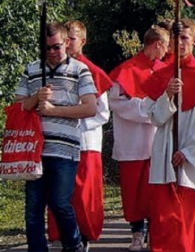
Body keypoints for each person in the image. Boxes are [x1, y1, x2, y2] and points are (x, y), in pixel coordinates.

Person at [142, 19, 195, 252]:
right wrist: (167, 96)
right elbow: (155, 118)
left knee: (190, 225)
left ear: (194, 41)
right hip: (165, 155)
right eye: (176, 39)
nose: (180, 43)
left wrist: (188, 152)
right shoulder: (162, 76)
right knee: (164, 221)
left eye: (185, 38)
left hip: (193, 162)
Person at [15, 22, 97, 252]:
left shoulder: (80, 70)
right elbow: (17, 108)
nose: (52, 52)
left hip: (64, 148)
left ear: (67, 43)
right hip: (35, 150)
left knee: (60, 203)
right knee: (33, 207)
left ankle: (73, 245)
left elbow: (90, 108)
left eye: (56, 47)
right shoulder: (31, 69)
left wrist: (54, 110)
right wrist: (34, 99)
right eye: (47, 47)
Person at [46, 21, 112, 251]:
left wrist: (73, 120)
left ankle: (81, 236)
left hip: (85, 142)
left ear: (82, 41)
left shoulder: (93, 72)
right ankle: (59, 235)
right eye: (65, 39)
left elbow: (102, 112)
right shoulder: (55, 67)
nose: (67, 44)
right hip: (58, 140)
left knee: (83, 196)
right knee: (58, 191)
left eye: (71, 39)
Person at [109, 25, 170, 251]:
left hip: (157, 141)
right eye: (165, 46)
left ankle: (155, 232)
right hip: (132, 142)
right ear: (157, 44)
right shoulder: (127, 69)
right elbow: (115, 102)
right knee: (134, 192)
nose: (166, 52)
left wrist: (157, 110)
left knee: (155, 190)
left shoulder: (166, 70)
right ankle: (137, 232)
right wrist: (147, 109)